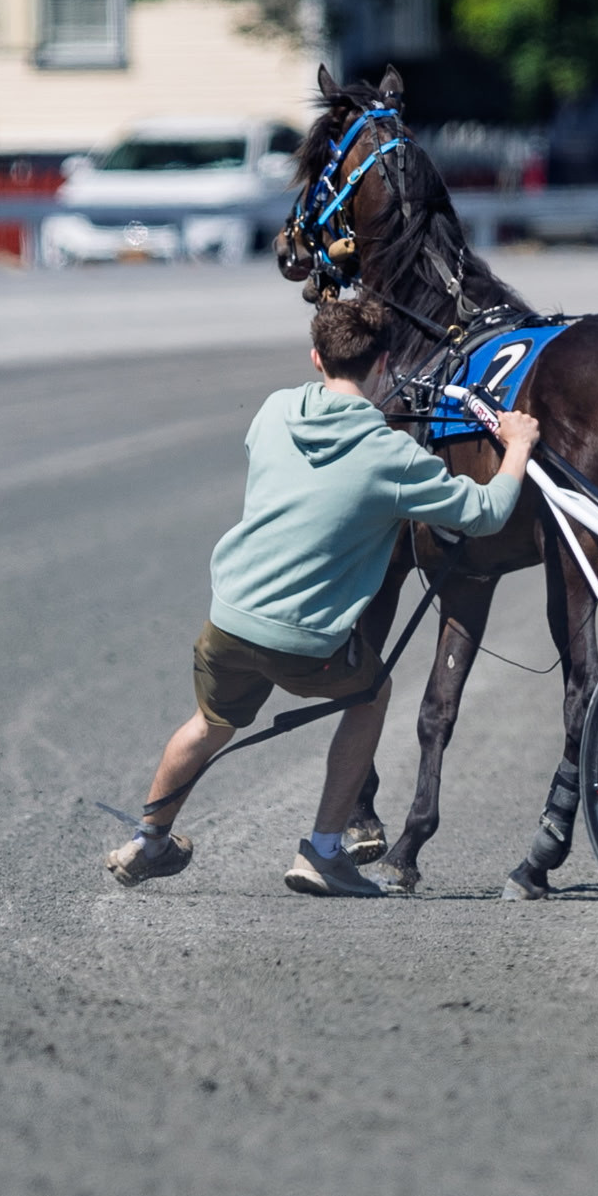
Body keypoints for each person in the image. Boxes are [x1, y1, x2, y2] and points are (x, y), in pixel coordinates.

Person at [104, 294, 539, 896]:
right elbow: (486, 513)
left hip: (229, 618)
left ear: (316, 357)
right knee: (372, 694)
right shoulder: (392, 455)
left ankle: (148, 841)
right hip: (306, 643)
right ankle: (324, 851)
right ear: (384, 364)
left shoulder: (274, 410)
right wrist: (517, 445)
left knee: (208, 722)